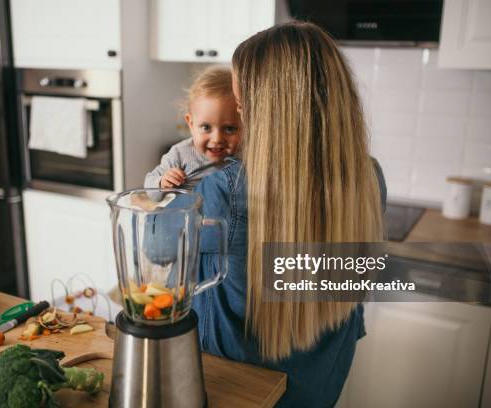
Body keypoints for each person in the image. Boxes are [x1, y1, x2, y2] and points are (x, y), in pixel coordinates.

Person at [193, 22, 387, 407]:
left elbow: (158, 253)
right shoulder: (369, 176)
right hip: (321, 383)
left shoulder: (224, 190)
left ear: (265, 112)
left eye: (243, 106)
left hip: (238, 387)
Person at [144, 66, 241, 190]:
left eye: (229, 129)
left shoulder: (243, 155)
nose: (217, 139)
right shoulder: (180, 154)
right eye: (206, 127)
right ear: (191, 124)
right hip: (187, 208)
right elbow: (149, 188)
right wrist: (162, 181)